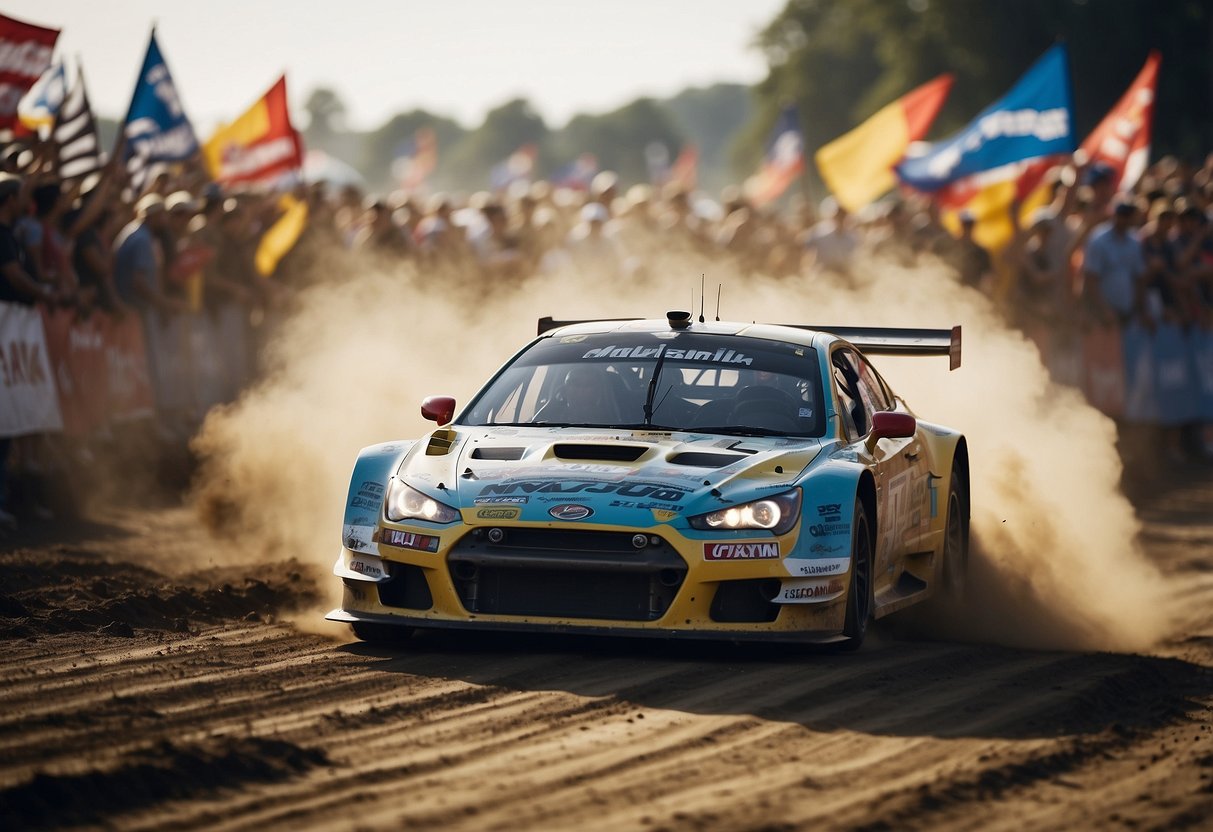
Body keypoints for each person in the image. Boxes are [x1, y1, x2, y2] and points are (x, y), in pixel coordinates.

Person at [1082, 198, 1146, 326]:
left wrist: (1138, 308)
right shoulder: (1099, 240)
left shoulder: (1134, 242)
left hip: (1126, 312)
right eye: (1122, 215)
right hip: (1101, 314)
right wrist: (1104, 310)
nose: (1124, 219)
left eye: (1127, 216)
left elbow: (1139, 277)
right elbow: (1091, 278)